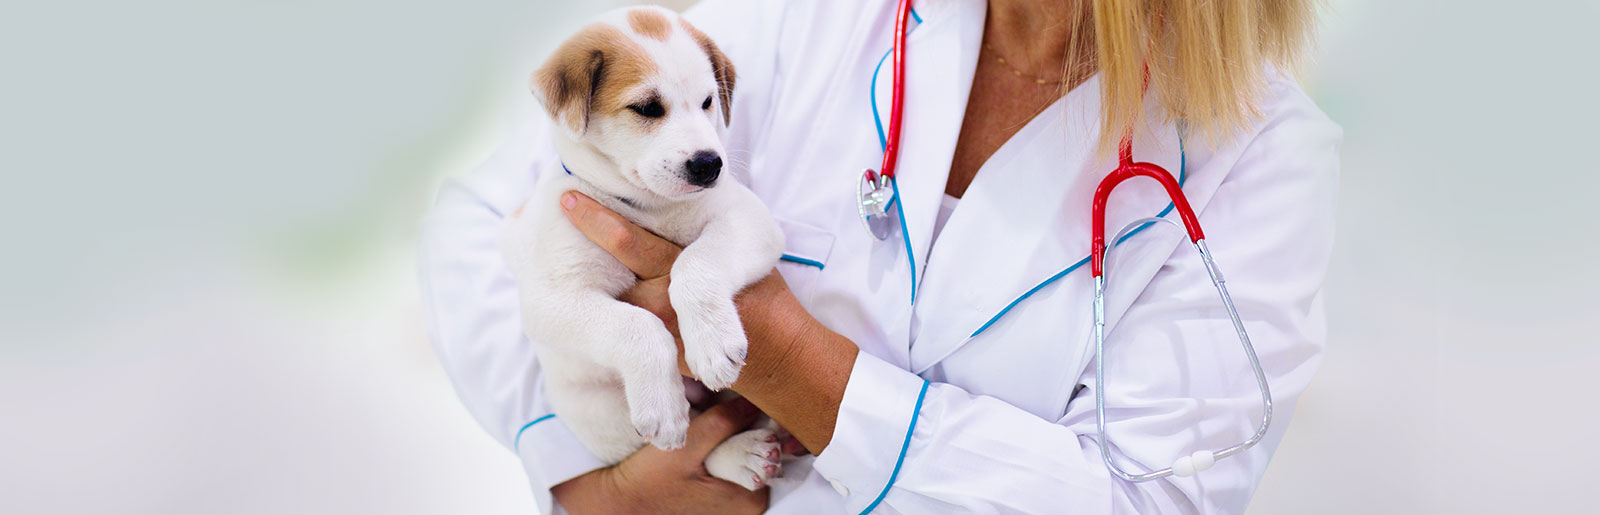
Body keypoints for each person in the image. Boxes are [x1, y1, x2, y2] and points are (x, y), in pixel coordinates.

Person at [418, 0, 1339, 513]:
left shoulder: (1261, 158)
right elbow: (482, 222)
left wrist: (795, 363)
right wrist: (592, 481)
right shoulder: (809, 17)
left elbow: (1146, 503)